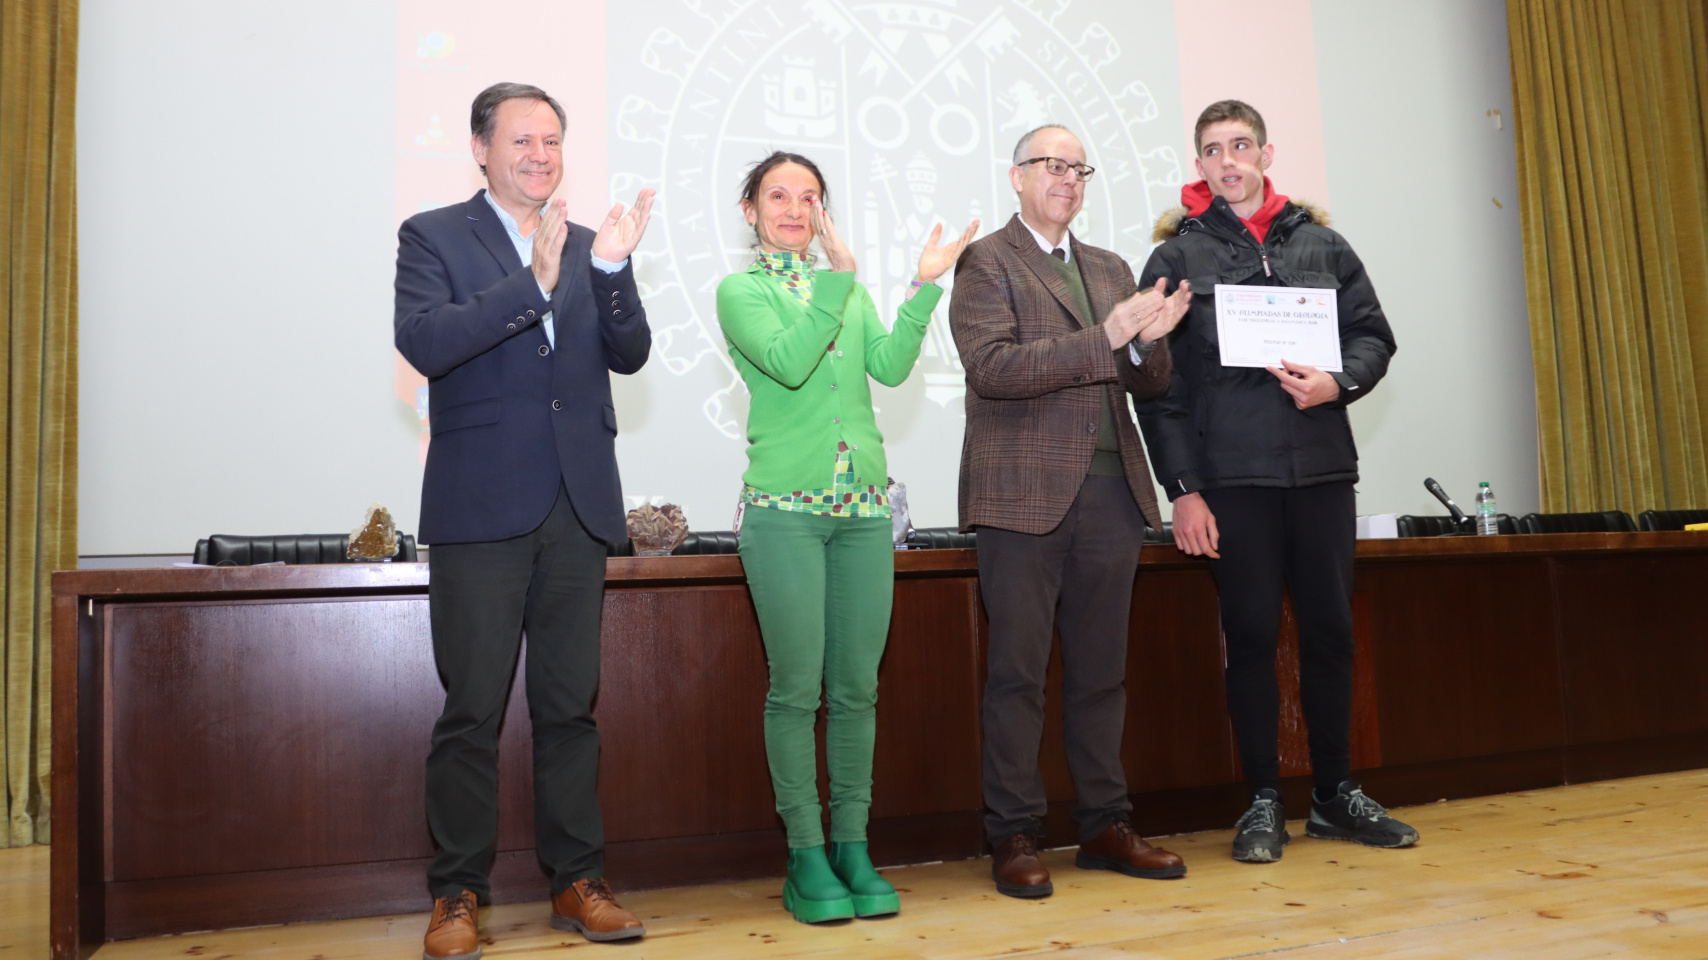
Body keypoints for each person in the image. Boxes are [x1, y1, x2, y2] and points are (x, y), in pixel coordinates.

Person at [394, 82, 657, 959]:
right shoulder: (432, 236)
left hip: (577, 504)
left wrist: (611, 272)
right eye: (522, 141)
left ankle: (578, 881)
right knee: (470, 710)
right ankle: (457, 893)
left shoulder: (592, 244)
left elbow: (630, 352)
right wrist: (532, 283)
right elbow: (426, 342)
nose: (540, 155)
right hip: (479, 506)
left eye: (552, 141)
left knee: (568, 709)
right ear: (480, 147)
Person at [1133, 99, 1414, 863]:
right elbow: (1157, 385)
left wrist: (1339, 383)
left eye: (1242, 146)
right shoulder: (1174, 259)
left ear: (1266, 153)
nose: (1229, 161)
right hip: (1232, 478)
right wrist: (1182, 487)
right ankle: (1262, 799)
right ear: (1199, 165)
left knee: (1332, 634)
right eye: (1214, 150)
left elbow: (1373, 336)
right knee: (1251, 637)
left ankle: (1334, 795)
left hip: (1322, 469)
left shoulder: (1324, 243)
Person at [717, 151, 977, 924]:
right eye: (779, 196)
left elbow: (892, 369)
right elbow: (792, 365)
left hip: (864, 510)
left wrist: (925, 287)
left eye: (810, 197)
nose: (795, 209)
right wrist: (838, 279)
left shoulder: (850, 290)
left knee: (857, 689)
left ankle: (853, 847)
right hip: (783, 512)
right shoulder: (742, 292)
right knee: (797, 688)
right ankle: (805, 854)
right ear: (750, 210)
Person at [949, 125, 1192, 899]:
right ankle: (1014, 832)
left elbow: (1148, 383)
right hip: (1021, 497)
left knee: (1100, 675)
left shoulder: (1111, 266)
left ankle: (1103, 823)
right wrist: (1108, 337)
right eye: (1051, 165)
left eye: (1078, 168)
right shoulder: (987, 260)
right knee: (1017, 675)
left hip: (1112, 495)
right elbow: (993, 369)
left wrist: (1150, 342)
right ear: (1016, 177)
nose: (1067, 178)